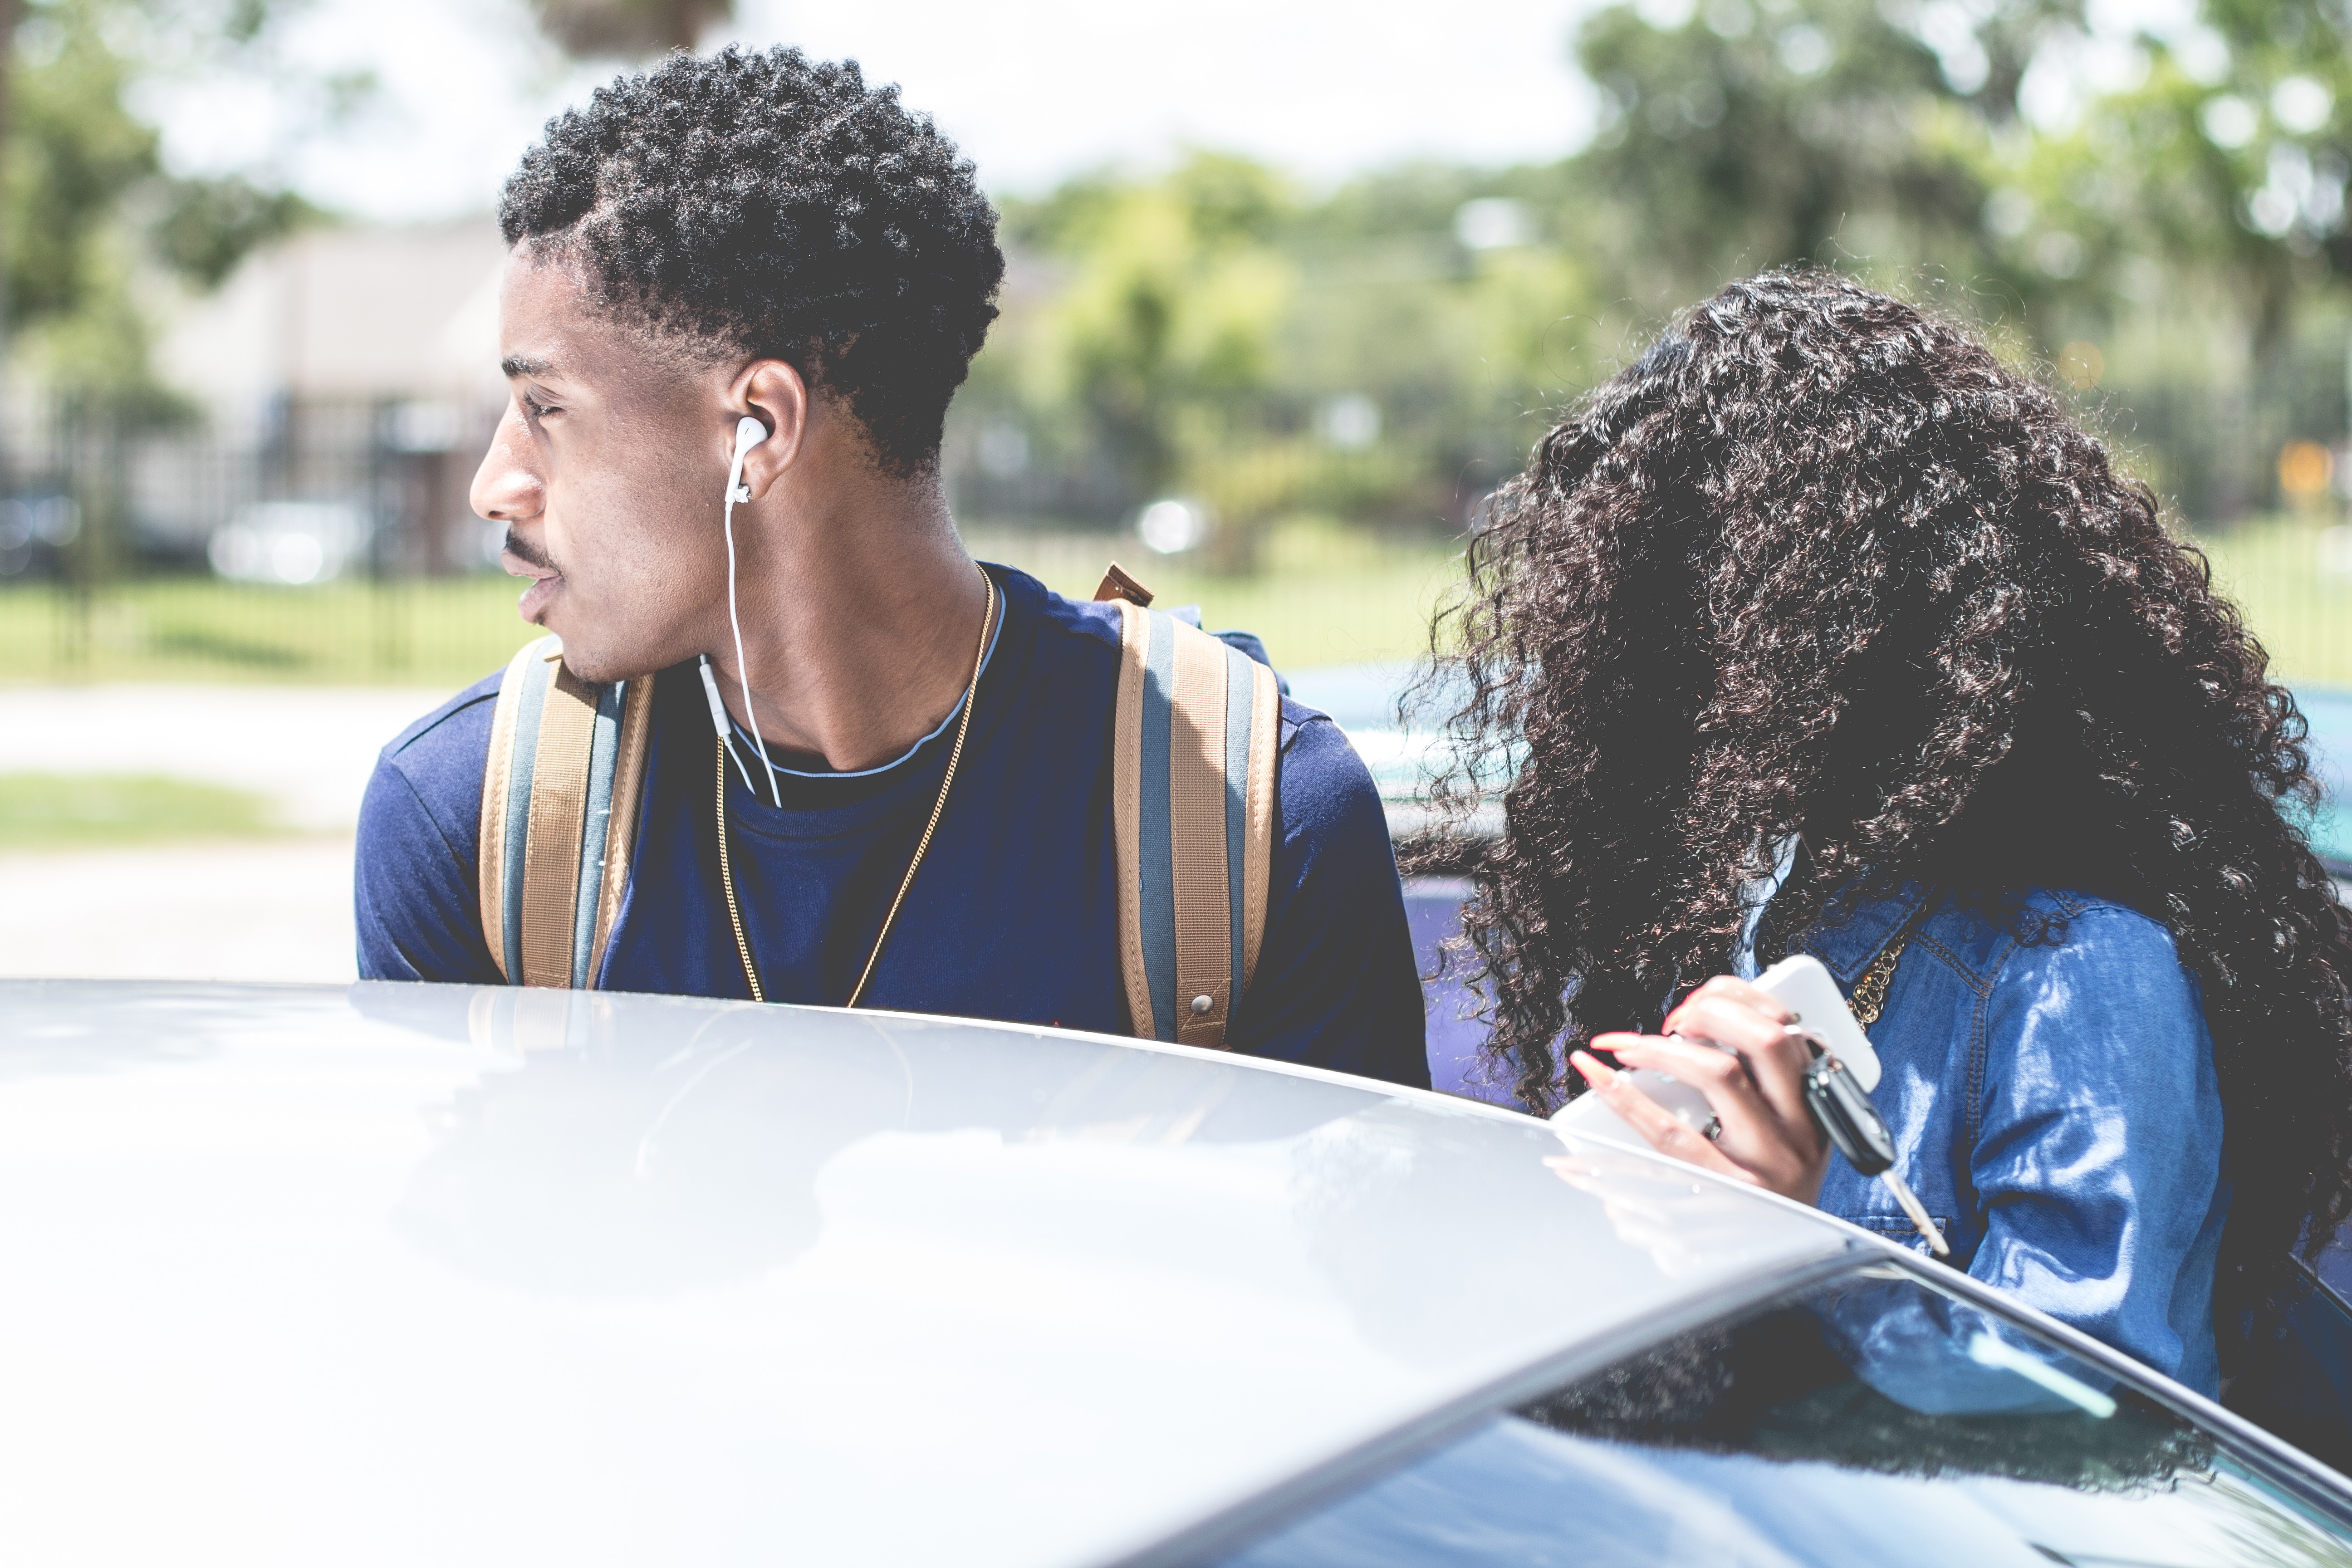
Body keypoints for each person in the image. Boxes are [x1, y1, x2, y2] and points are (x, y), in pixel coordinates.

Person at [355, 46, 1425, 1088]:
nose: (495, 486)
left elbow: (1356, 1265)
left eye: (545, 409)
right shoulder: (472, 821)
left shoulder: (1253, 820)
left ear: (757, 429)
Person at [1418, 271, 2352, 1399]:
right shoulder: (1783, 905)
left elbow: (2097, 1404)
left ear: (1854, 613)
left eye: (1710, 611)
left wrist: (1790, 1251)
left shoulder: (2086, 975)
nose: (1672, 685)